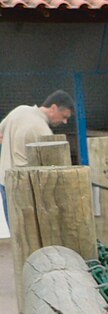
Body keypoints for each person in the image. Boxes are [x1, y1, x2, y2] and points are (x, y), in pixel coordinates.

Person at [0, 90, 75, 224]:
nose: (64, 121)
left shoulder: (19, 110)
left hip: (5, 181)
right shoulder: (43, 131)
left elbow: (1, 134)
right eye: (64, 116)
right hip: (27, 187)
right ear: (53, 108)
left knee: (16, 232)